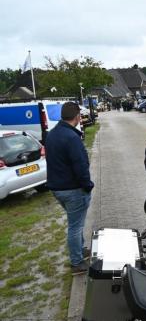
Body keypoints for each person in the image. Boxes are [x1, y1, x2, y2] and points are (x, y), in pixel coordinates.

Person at [46, 102, 94, 275]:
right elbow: (80, 166)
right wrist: (88, 186)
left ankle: (80, 250)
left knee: (75, 223)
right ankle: (76, 262)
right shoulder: (72, 138)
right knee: (75, 226)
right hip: (72, 189)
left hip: (57, 188)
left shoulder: (51, 134)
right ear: (77, 117)